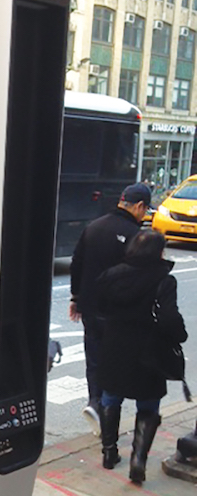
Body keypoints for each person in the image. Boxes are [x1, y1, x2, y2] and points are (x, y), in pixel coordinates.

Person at [96, 230, 188, 484]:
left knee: (110, 397)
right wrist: (180, 335)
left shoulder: (110, 276)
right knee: (148, 404)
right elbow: (169, 317)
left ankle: (108, 452)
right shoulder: (163, 280)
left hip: (115, 347)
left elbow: (98, 308)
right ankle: (138, 459)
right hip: (150, 350)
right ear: (158, 252)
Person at [69, 183, 152, 433]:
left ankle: (95, 402)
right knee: (116, 363)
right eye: (145, 210)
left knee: (94, 359)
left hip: (91, 308)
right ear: (138, 206)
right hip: (119, 313)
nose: (145, 214)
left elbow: (77, 263)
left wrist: (76, 298)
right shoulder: (136, 235)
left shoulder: (94, 227)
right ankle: (106, 414)